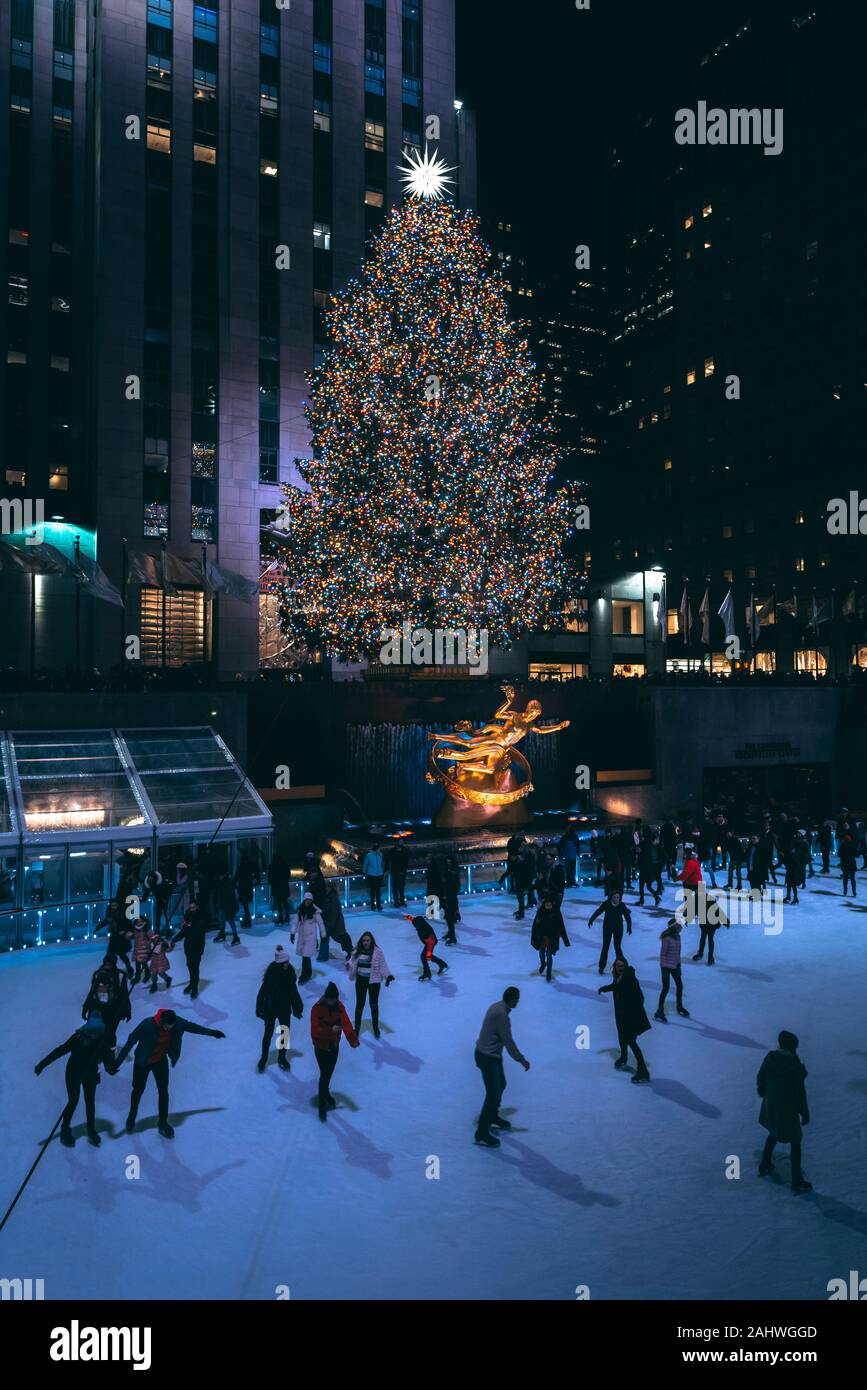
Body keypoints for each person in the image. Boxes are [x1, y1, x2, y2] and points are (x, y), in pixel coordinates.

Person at [109, 1008, 225, 1139]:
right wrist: (117, 1064)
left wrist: (212, 1033)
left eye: (171, 1027)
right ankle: (132, 1116)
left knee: (163, 1090)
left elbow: (193, 1027)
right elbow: (130, 1042)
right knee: (138, 1089)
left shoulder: (177, 1023)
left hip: (160, 1060)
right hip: (143, 1061)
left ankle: (163, 1122)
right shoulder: (147, 1024)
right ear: (161, 1021)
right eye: (167, 1027)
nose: (169, 1029)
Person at [35, 1012, 114, 1148]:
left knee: (90, 1101)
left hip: (90, 1073)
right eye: (91, 1034)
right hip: (74, 1072)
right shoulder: (77, 1038)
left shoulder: (104, 1040)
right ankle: (65, 1129)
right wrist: (42, 1064)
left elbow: (107, 1058)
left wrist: (110, 1067)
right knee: (73, 1100)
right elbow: (60, 1050)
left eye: (97, 1034)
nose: (94, 1037)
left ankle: (91, 1129)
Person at [473, 987, 530, 1148]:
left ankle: (492, 1116)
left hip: (488, 1054)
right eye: (517, 999)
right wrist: (521, 1059)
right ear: (512, 999)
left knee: (501, 1085)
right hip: (487, 1057)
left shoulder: (497, 1006)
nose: (518, 1001)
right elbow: (508, 1041)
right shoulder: (501, 1015)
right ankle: (481, 1132)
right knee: (493, 1094)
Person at [756, 1030, 812, 1194]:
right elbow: (800, 1094)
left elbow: (761, 1077)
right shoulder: (794, 1067)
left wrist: (763, 1090)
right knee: (795, 1141)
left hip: (772, 1105)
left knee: (773, 1132)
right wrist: (805, 1113)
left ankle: (765, 1164)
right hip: (788, 1109)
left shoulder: (770, 1058)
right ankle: (797, 1180)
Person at [310, 982, 359, 1121]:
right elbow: (315, 1031)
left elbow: (347, 1024)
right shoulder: (316, 1009)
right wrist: (330, 1030)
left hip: (334, 1046)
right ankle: (322, 1103)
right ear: (326, 997)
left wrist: (352, 1040)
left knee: (329, 1072)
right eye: (330, 999)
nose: (333, 1001)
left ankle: (325, 1094)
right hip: (320, 1047)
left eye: (334, 999)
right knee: (324, 1074)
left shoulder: (339, 1007)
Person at [599, 959, 651, 1083]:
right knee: (622, 1037)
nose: (620, 968)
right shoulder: (618, 977)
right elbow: (616, 986)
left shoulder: (631, 979)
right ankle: (623, 1057)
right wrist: (605, 988)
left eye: (622, 966)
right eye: (617, 966)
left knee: (631, 1041)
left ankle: (643, 1070)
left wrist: (630, 1010)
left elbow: (640, 998)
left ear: (626, 966)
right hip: (620, 1015)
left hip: (630, 1016)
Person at [256, 945, 304, 1072]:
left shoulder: (290, 973)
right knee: (268, 1034)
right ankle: (264, 1058)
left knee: (284, 1033)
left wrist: (297, 1007)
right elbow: (262, 992)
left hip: (284, 1008)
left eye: (288, 961)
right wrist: (259, 1007)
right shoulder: (271, 974)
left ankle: (282, 1058)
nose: (288, 964)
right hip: (271, 1009)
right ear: (280, 963)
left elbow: (293, 992)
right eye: (286, 962)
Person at [346, 931, 394, 1038]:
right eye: (364, 940)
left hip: (374, 982)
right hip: (361, 981)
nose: (365, 942)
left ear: (371, 940)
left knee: (374, 1005)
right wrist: (348, 965)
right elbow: (351, 961)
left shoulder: (378, 952)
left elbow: (382, 965)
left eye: (367, 940)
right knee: (359, 1004)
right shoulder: (357, 951)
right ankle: (357, 1029)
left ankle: (375, 1028)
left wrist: (388, 975)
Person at [81, 955, 132, 1049]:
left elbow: (124, 994)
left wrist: (127, 1009)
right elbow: (92, 992)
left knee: (110, 1032)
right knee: (97, 1030)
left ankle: (109, 1052)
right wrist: (85, 1007)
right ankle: (98, 1050)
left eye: (110, 964)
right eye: (106, 964)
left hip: (113, 1009)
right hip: (98, 1007)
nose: (108, 966)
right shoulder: (98, 974)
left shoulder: (120, 976)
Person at [587, 890, 632, 974]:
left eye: (618, 897)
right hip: (607, 928)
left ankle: (622, 967)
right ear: (611, 897)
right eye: (615, 897)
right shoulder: (607, 904)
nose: (616, 899)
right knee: (605, 947)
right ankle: (601, 967)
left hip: (618, 929)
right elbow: (598, 911)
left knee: (617, 947)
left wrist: (629, 927)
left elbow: (627, 916)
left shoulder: (622, 905)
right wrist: (591, 919)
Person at [654, 919, 689, 1021]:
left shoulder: (678, 937)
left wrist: (678, 966)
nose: (681, 928)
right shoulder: (667, 938)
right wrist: (664, 968)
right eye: (679, 927)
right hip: (666, 966)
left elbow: (678, 953)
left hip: (675, 965)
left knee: (680, 985)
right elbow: (663, 954)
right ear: (675, 928)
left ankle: (679, 1007)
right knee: (666, 988)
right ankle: (659, 1011)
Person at [530, 897, 570, 981]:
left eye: (549, 905)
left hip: (552, 938)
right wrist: (533, 938)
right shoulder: (540, 913)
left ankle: (549, 971)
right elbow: (535, 926)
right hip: (542, 937)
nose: (548, 906)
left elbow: (561, 927)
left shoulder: (556, 914)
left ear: (552, 905)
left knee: (549, 955)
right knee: (541, 953)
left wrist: (566, 941)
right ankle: (543, 963)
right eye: (546, 905)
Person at [173, 902, 208, 998]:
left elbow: (198, 929)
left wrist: (189, 925)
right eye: (190, 907)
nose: (192, 909)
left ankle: (195, 986)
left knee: (195, 967)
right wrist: (173, 940)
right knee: (189, 965)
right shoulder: (187, 916)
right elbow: (184, 931)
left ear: (197, 907)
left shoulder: (201, 916)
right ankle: (192, 983)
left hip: (197, 945)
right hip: (188, 945)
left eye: (193, 907)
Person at [292, 892, 326, 983]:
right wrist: (292, 933)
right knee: (305, 956)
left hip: (311, 937)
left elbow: (321, 923)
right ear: (304, 900)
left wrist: (323, 934)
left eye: (309, 900)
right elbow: (295, 922)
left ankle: (305, 975)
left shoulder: (315, 911)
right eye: (306, 900)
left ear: (311, 901)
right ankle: (307, 973)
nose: (308, 902)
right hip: (302, 937)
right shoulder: (300, 910)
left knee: (306, 956)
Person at [405, 913, 449, 980]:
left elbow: (430, 944)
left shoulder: (424, 930)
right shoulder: (419, 922)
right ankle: (441, 964)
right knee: (427, 956)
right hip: (429, 941)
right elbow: (413, 919)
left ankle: (427, 973)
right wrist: (407, 917)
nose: (414, 927)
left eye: (415, 926)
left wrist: (428, 955)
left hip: (431, 942)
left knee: (424, 956)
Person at [322, 878, 353, 959]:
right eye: (325, 888)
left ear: (330, 888)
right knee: (340, 937)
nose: (326, 889)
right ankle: (350, 951)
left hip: (336, 923)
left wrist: (330, 925)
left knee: (340, 937)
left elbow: (334, 913)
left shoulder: (333, 898)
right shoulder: (328, 897)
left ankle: (351, 951)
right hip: (334, 923)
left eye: (327, 887)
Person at [676, 844, 703, 923]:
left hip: (691, 882)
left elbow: (685, 874)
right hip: (698, 881)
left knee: (688, 897)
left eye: (684, 853)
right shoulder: (694, 859)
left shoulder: (690, 861)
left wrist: (676, 878)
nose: (683, 855)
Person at [213, 873, 241, 945]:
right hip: (224, 905)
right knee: (222, 920)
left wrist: (221, 903)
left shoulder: (227, 883)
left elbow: (227, 895)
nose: (219, 877)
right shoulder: (224, 883)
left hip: (228, 906)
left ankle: (235, 937)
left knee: (230, 920)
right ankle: (223, 934)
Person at [511, 843, 536, 920]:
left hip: (525, 879)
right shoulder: (522, 855)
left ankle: (522, 912)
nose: (519, 848)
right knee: (519, 896)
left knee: (521, 895)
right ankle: (522, 909)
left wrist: (520, 861)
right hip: (520, 878)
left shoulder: (528, 856)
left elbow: (528, 867)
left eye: (521, 847)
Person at [234, 854, 259, 927]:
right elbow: (255, 874)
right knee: (246, 905)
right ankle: (247, 920)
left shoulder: (240, 867)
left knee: (245, 905)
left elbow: (236, 876)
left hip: (242, 887)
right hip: (248, 887)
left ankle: (247, 921)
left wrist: (235, 885)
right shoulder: (250, 867)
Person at [267, 852, 292, 925]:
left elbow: (270, 876)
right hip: (284, 887)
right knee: (285, 902)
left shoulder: (272, 865)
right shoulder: (284, 864)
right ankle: (287, 917)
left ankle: (280, 917)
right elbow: (288, 874)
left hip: (276, 887)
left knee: (279, 903)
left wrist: (271, 882)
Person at [146, 928, 174, 993]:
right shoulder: (151, 946)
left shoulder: (163, 945)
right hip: (154, 962)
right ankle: (154, 984)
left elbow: (168, 949)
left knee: (161, 973)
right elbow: (150, 954)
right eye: (153, 939)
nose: (155, 940)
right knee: (153, 974)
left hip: (161, 962)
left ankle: (167, 979)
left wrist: (171, 946)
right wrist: (147, 958)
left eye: (156, 938)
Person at [362, 843, 385, 912]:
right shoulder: (369, 855)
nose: (380, 850)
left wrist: (382, 871)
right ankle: (372, 905)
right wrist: (364, 872)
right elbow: (366, 864)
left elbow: (381, 864)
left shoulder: (380, 855)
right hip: (371, 875)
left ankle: (379, 905)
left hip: (379, 875)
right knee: (372, 891)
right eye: (379, 848)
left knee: (378, 891)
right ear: (376, 849)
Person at [388, 840, 409, 908]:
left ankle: (402, 901)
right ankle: (396, 902)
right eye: (400, 842)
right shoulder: (392, 851)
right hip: (395, 872)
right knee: (395, 888)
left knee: (401, 887)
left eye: (402, 842)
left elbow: (406, 860)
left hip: (402, 872)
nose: (401, 843)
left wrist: (404, 870)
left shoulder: (405, 850)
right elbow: (389, 860)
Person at [839, 832, 858, 897]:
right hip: (852, 864)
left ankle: (845, 892)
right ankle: (854, 892)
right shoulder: (853, 846)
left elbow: (839, 855)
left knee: (845, 879)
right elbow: (857, 855)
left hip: (845, 864)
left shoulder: (842, 846)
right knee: (852, 879)